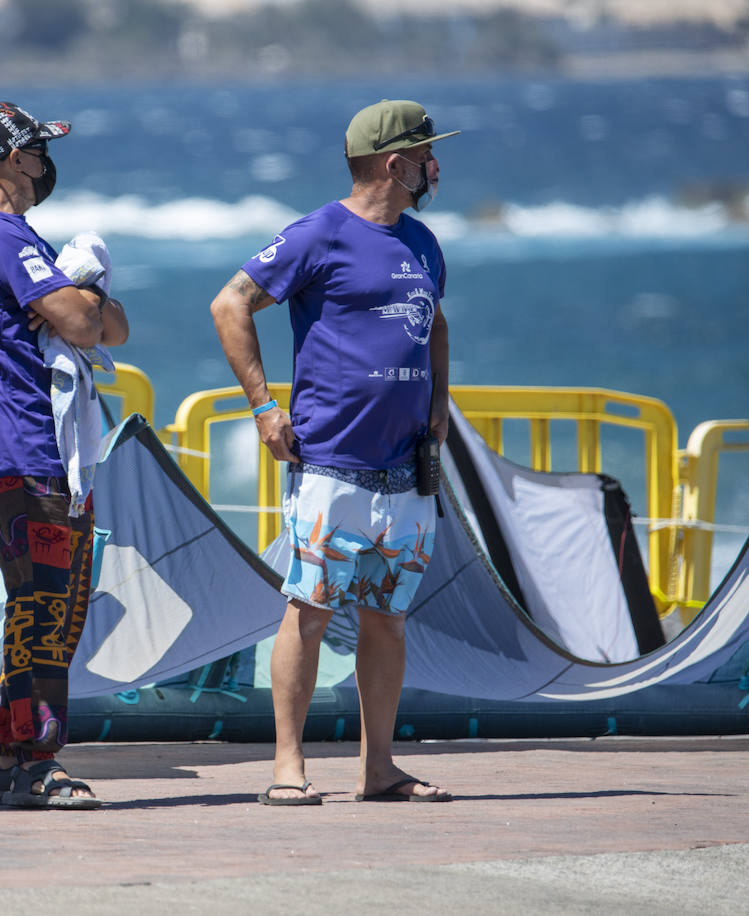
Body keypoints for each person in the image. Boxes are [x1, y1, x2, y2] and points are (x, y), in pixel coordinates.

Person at [210, 99, 459, 806]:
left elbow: (433, 323)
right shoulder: (319, 233)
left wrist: (439, 403)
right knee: (310, 609)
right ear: (394, 163)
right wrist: (263, 406)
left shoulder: (424, 242)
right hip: (331, 466)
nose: (436, 166)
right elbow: (229, 304)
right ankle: (288, 766)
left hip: (405, 471)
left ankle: (379, 769)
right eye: (427, 154)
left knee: (388, 618)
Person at [0, 102, 129, 808]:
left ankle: (10, 757)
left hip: (41, 453)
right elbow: (89, 321)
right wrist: (83, 303)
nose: (44, 166)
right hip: (23, 448)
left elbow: (108, 326)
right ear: (5, 160)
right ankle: (32, 760)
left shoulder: (18, 238)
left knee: (51, 610)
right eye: (34, 151)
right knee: (41, 609)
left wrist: (81, 299)